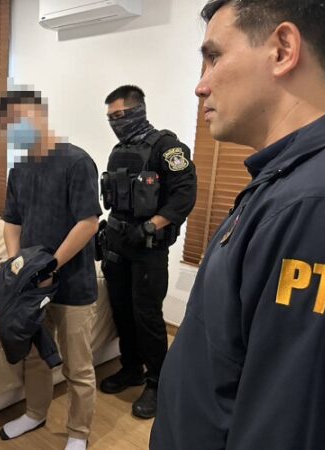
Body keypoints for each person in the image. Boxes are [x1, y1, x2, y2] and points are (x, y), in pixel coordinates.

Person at [152, 1, 325, 449]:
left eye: (214, 56)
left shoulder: (310, 205)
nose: (200, 85)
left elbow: (284, 423)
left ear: (282, 49)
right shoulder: (281, 182)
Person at [0, 90, 102, 450]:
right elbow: (12, 221)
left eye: (20, 118)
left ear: (40, 114)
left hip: (72, 285)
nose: (16, 128)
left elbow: (88, 223)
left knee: (78, 367)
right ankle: (35, 413)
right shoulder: (19, 169)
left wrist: (52, 265)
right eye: (9, 124)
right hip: (32, 288)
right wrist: (17, 265)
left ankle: (78, 434)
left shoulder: (77, 162)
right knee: (35, 357)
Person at [98, 85, 196, 419]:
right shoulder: (119, 150)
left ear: (138, 111)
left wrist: (151, 227)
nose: (115, 122)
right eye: (110, 117)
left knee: (147, 316)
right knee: (122, 311)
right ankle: (131, 369)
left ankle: (156, 382)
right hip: (117, 243)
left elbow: (184, 195)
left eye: (120, 115)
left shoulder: (167, 147)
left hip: (148, 248)